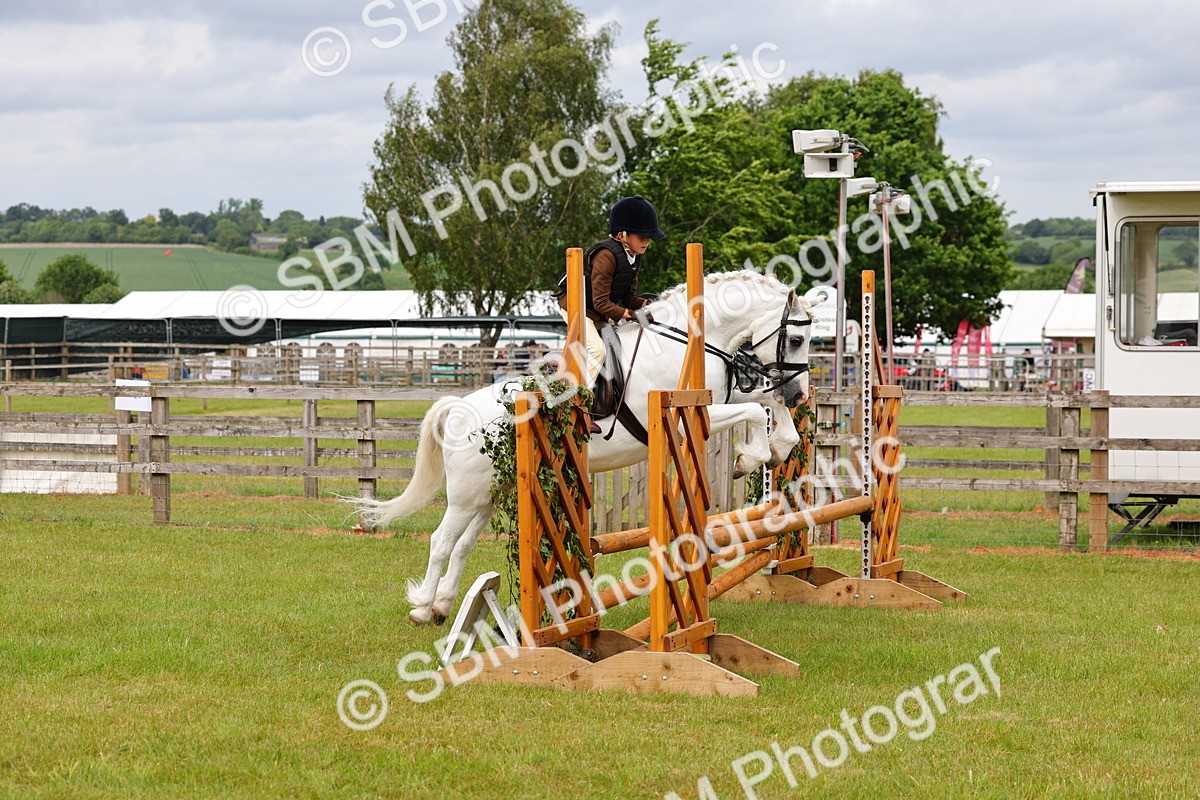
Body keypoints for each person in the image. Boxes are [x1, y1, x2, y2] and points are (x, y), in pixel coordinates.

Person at [556, 195, 664, 388]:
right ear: (623, 235)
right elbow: (601, 303)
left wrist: (650, 305)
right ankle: (577, 398)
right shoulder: (606, 256)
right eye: (642, 236)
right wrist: (628, 314)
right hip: (576, 307)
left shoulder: (633, 256)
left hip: (597, 311)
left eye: (649, 238)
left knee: (619, 343)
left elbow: (628, 296)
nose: (647, 241)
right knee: (597, 350)